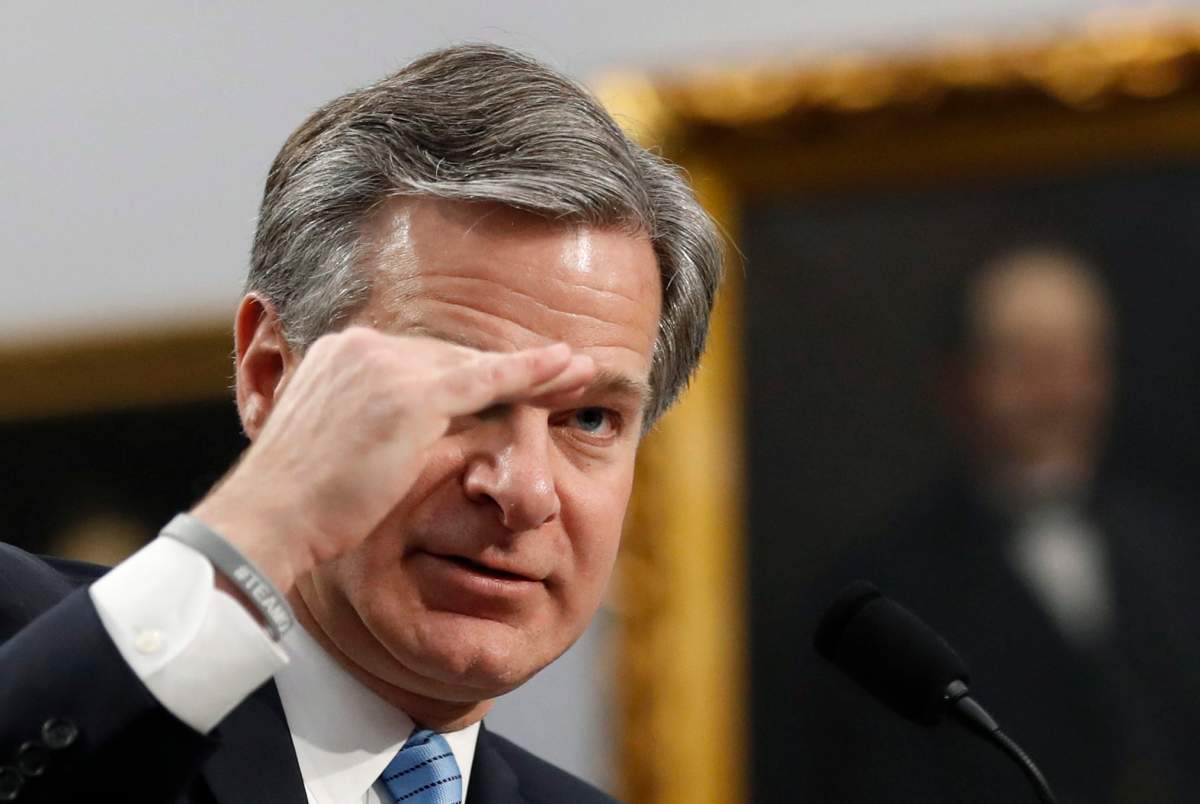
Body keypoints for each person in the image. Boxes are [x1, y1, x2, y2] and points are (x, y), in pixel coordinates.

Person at [0, 44, 723, 803]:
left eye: (590, 418)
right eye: (456, 390)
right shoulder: (27, 645)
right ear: (271, 375)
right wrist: (257, 526)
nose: (525, 488)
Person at [794, 246, 1200, 803]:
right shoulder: (886, 593)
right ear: (957, 381)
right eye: (1022, 362)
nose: (1055, 393)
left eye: (1075, 360)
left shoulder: (1176, 549)